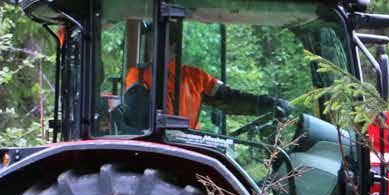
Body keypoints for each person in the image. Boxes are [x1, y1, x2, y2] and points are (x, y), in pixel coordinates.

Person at [124, 58, 289, 130]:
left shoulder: (194, 76)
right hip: (166, 146)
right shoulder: (138, 75)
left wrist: (268, 104)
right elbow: (137, 114)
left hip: (187, 143)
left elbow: (229, 98)